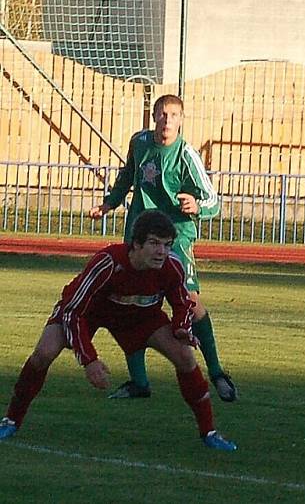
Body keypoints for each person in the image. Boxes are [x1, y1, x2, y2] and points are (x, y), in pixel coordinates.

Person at [0, 210, 237, 450]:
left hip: (140, 316)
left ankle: (209, 432)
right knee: (43, 353)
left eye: (167, 245)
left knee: (185, 357)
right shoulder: (108, 262)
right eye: (154, 243)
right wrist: (89, 360)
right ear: (136, 244)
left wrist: (182, 329)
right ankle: (11, 419)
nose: (161, 252)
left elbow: (182, 303)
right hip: (90, 312)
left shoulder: (172, 266)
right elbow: (74, 312)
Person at [89, 94, 237, 402]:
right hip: (140, 235)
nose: (167, 120)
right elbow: (127, 175)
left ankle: (217, 372)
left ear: (181, 119)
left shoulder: (186, 154)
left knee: (191, 300)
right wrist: (110, 203)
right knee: (130, 301)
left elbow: (212, 200)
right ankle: (139, 382)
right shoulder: (140, 142)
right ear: (153, 115)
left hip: (176, 237)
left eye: (173, 115)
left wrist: (197, 205)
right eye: (162, 114)